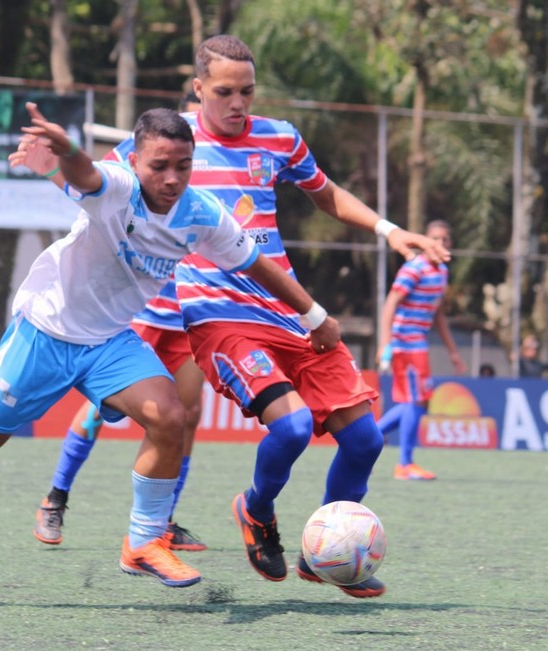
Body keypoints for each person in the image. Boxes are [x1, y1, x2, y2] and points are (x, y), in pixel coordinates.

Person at [0, 104, 342, 590]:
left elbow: (258, 265)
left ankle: (143, 542)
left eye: (183, 165)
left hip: (109, 342)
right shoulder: (117, 188)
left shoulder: (203, 214)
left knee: (170, 416)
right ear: (135, 161)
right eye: (159, 165)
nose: (172, 177)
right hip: (45, 334)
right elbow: (85, 173)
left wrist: (315, 316)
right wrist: (68, 148)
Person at [149, 35, 449, 598]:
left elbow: (326, 193)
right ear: (198, 90)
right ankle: (257, 510)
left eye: (247, 91)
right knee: (289, 428)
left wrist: (391, 232)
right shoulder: (174, 143)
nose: (238, 103)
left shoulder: (279, 137)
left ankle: (321, 558)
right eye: (224, 92)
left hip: (291, 310)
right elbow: (108, 182)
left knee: (363, 442)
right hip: (219, 317)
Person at [33, 91, 207, 552]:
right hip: (140, 312)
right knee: (97, 412)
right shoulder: (142, 154)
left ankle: (162, 522)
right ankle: (55, 498)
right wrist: (53, 165)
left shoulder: (217, 160)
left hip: (193, 314)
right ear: (199, 94)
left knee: (186, 416)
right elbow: (85, 185)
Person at [375, 220, 466, 481]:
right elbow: (390, 304)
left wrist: (453, 352)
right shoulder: (414, 268)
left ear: (450, 244)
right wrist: (384, 344)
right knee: (415, 401)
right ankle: (404, 465)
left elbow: (437, 314)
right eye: (434, 238)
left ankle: (368, 437)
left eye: (444, 239)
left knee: (419, 402)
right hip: (404, 343)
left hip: (419, 344)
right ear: (425, 241)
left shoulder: (441, 273)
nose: (439, 244)